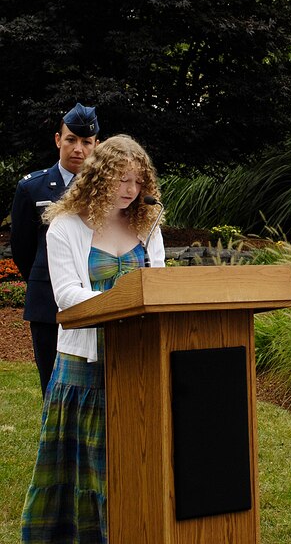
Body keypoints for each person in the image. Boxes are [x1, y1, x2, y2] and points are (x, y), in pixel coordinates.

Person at [20, 135, 165, 544]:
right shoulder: (65, 224)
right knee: (86, 470)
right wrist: (124, 300)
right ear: (99, 176)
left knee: (133, 463)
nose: (130, 190)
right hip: (84, 367)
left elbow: (158, 286)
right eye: (121, 180)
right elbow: (66, 296)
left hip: (138, 360)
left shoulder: (147, 223)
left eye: (137, 181)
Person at [11, 103, 100, 397]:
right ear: (58, 140)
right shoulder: (32, 188)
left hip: (95, 296)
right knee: (51, 382)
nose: (78, 149)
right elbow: (22, 247)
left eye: (86, 142)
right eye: (71, 139)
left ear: (96, 144)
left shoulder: (108, 189)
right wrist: (44, 279)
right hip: (48, 300)